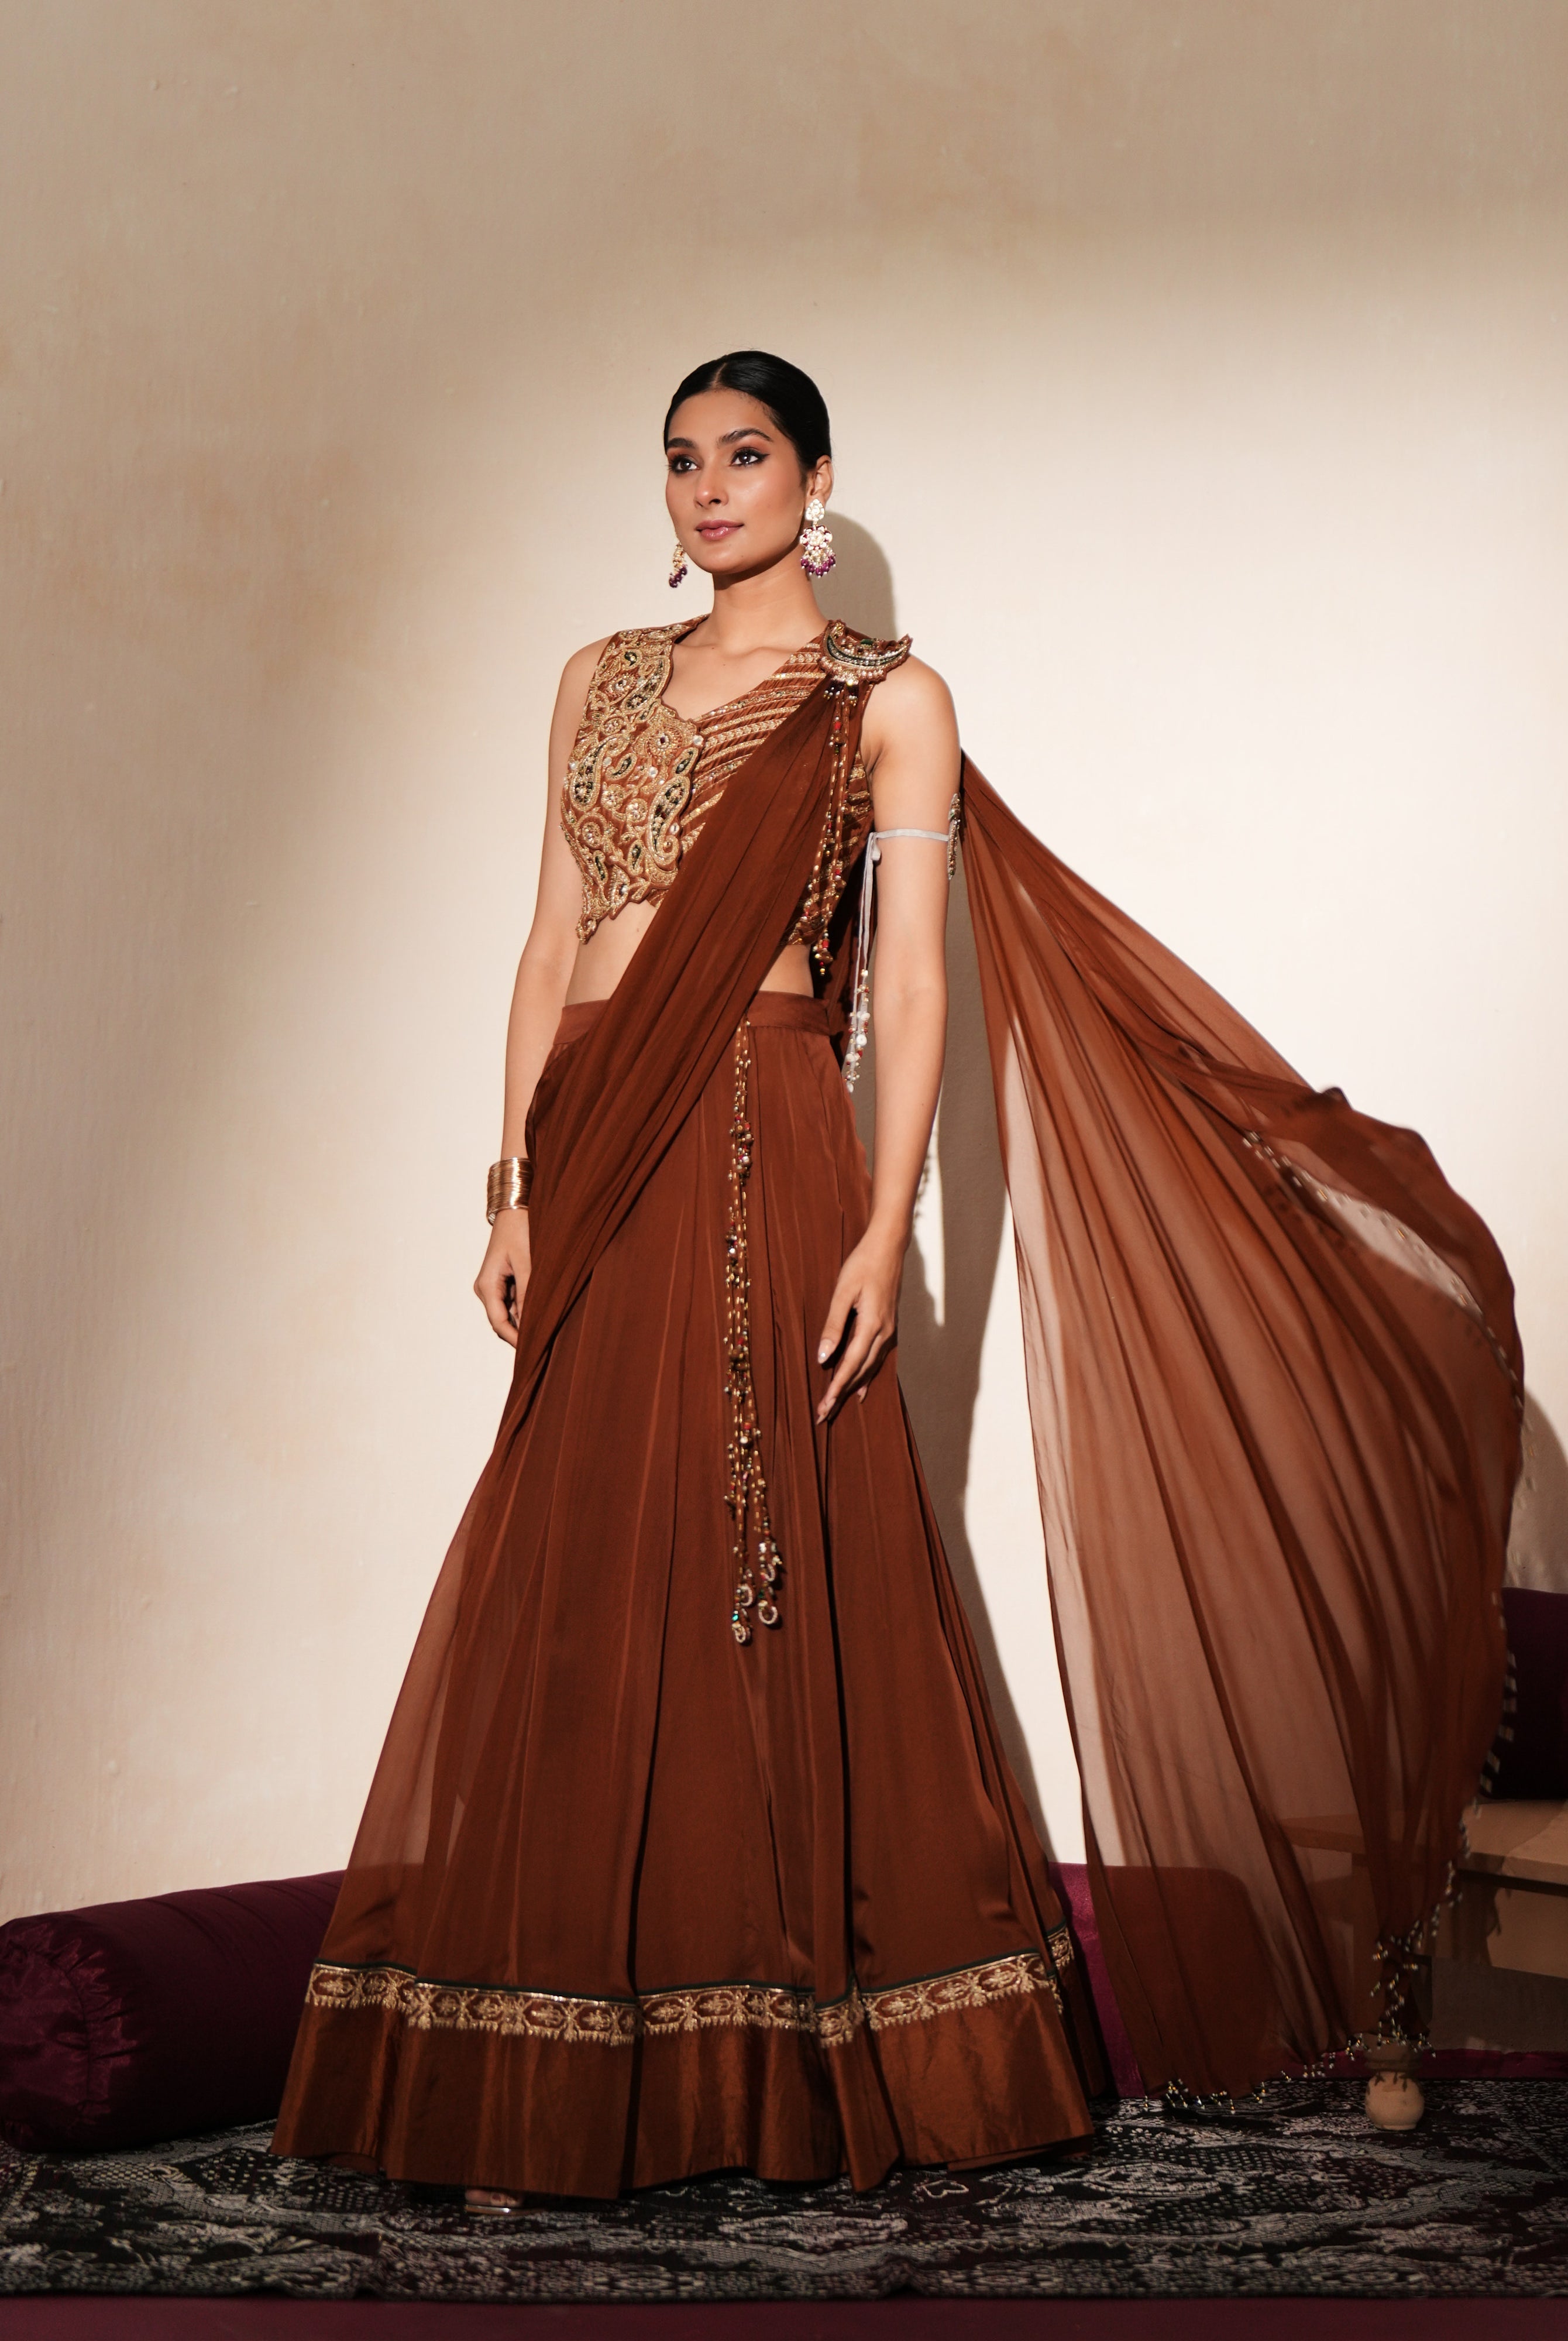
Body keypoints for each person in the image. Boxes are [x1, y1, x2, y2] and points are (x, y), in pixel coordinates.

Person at [273, 353, 1522, 2207]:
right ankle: (557, 2047)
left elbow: (918, 988)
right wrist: (511, 1185)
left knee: (763, 1546)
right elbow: (545, 942)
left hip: (772, 1136)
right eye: (682, 462)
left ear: (818, 479)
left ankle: (785, 2045)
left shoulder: (889, 702)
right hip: (600, 1136)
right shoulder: (595, 679)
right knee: (585, 1549)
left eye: (746, 456)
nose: (709, 491)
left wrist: (881, 1230)